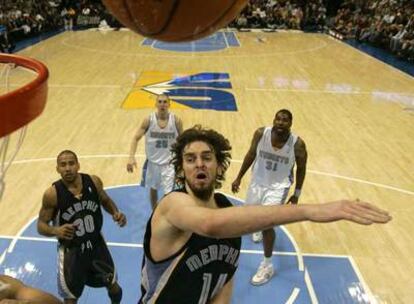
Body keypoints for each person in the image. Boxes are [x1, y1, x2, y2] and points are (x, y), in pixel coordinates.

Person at [138, 125, 391, 304]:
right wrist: (307, 211)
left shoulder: (228, 212)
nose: (200, 164)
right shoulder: (172, 205)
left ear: (219, 165)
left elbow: (223, 281)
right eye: (190, 159)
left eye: (207, 157)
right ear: (181, 169)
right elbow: (209, 224)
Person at [37, 150, 126, 304]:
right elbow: (41, 225)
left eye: (71, 163)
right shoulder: (52, 194)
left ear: (78, 165)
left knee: (114, 287)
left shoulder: (93, 182)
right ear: (57, 168)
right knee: (70, 298)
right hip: (72, 251)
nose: (67, 168)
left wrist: (116, 213)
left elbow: (105, 200)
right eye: (63, 165)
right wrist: (56, 230)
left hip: (96, 246)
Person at [231, 108, 307, 286]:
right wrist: (239, 177)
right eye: (278, 119)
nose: (281, 122)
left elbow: (302, 169)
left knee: (267, 224)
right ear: (274, 120)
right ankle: (258, 226)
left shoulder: (297, 144)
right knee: (249, 217)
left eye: (285, 120)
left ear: (291, 123)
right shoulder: (260, 134)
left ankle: (267, 265)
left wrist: (296, 194)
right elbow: (250, 154)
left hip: (278, 188)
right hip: (257, 183)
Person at [126, 94, 183, 209]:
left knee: (169, 193)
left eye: (165, 102)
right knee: (153, 189)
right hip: (153, 163)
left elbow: (184, 142)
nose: (162, 104)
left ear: (169, 104)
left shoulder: (176, 120)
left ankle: (168, 214)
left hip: (170, 163)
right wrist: (131, 157)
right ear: (156, 104)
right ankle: (154, 212)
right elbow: (136, 138)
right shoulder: (149, 120)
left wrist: (183, 162)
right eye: (160, 102)